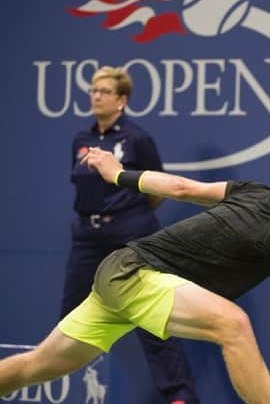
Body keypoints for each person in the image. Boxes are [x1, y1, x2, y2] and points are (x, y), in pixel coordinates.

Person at [0, 147, 270, 404]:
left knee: (36, 367)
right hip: (136, 274)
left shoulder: (251, 191)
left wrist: (118, 174)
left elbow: (184, 189)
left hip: (123, 272)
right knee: (234, 324)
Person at [61, 66, 199, 404]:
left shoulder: (137, 138)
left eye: (105, 91)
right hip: (86, 237)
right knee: (70, 315)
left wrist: (127, 217)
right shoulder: (82, 139)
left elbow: (157, 188)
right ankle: (61, 386)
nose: (96, 96)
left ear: (121, 100)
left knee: (150, 315)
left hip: (129, 234)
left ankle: (180, 395)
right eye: (93, 90)